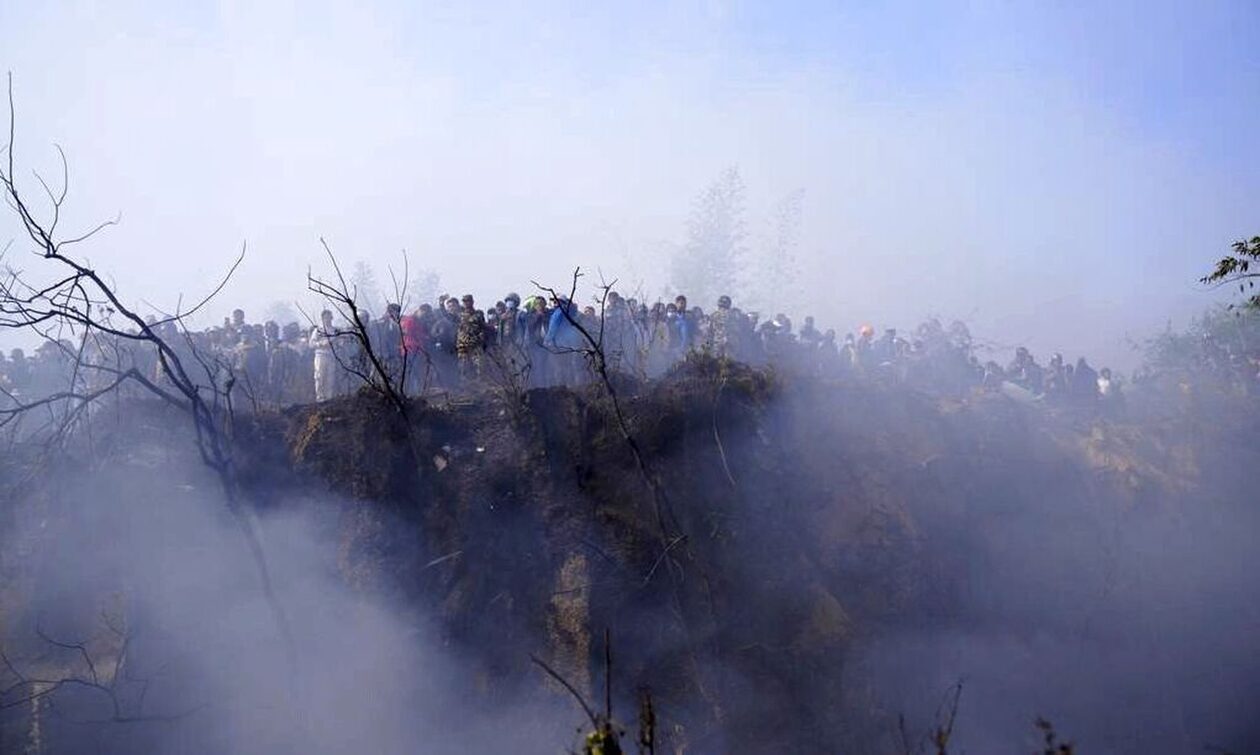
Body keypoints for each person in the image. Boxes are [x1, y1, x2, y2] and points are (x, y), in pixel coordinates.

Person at [456, 294, 487, 383]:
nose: (466, 303)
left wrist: (481, 338)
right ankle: (464, 383)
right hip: (462, 344)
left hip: (475, 343)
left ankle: (480, 382)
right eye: (464, 301)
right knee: (463, 365)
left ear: (472, 302)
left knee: (479, 365)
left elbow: (483, 327)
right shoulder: (459, 315)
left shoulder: (478, 314)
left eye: (468, 301)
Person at [309, 310, 339, 402]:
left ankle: (329, 397)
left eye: (329, 317)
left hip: (331, 356)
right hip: (320, 356)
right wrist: (321, 344)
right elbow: (311, 344)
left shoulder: (335, 331)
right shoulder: (318, 330)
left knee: (330, 377)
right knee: (319, 376)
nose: (328, 319)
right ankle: (320, 397)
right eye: (325, 317)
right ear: (322, 318)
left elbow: (339, 342)